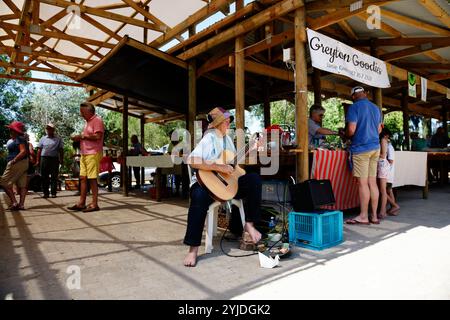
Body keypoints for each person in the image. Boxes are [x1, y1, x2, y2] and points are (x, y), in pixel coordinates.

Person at [183, 107, 262, 267]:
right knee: (198, 197)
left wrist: (250, 149)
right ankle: (193, 249)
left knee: (254, 179)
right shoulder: (208, 138)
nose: (228, 123)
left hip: (225, 184)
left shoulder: (227, 140)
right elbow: (191, 160)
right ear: (217, 124)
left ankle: (249, 224)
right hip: (205, 183)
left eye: (228, 121)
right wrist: (219, 168)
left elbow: (232, 164)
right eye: (225, 121)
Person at [344, 86, 382, 225]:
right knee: (373, 182)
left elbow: (352, 130)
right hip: (375, 147)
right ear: (365, 94)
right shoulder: (376, 108)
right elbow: (379, 130)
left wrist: (346, 134)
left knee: (363, 183)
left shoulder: (354, 108)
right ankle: (374, 216)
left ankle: (364, 216)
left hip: (361, 148)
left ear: (353, 96)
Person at [68, 102, 104, 212]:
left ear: (89, 111)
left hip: (93, 153)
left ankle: (94, 204)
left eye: (82, 112)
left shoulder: (97, 120)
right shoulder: (87, 122)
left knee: (92, 179)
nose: (81, 114)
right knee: (83, 177)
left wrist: (82, 136)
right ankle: (81, 203)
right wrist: (79, 138)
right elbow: (88, 137)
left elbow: (98, 136)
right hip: (85, 153)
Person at [0, 121, 29, 210]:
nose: (9, 130)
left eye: (11, 129)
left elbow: (23, 151)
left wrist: (14, 160)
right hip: (23, 163)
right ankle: (21, 204)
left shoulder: (19, 139)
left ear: (14, 130)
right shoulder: (20, 139)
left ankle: (14, 202)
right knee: (22, 184)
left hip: (17, 163)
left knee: (3, 182)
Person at [35, 123, 64, 198]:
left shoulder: (58, 139)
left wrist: (61, 159)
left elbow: (61, 150)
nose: (49, 130)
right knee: (44, 176)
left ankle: (53, 193)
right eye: (47, 128)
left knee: (54, 176)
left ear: (53, 130)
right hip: (44, 158)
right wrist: (38, 161)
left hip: (54, 159)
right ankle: (46, 193)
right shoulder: (43, 138)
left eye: (50, 128)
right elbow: (39, 150)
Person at [377, 128, 391, 219]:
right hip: (382, 164)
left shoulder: (383, 140)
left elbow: (383, 154)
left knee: (382, 190)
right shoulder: (383, 140)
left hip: (382, 164)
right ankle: (383, 211)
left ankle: (383, 211)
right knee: (382, 189)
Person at [386, 135, 400, 216]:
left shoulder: (389, 147)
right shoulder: (388, 146)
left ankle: (395, 206)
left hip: (387, 172)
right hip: (388, 172)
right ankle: (393, 209)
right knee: (389, 190)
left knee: (383, 191)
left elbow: (390, 160)